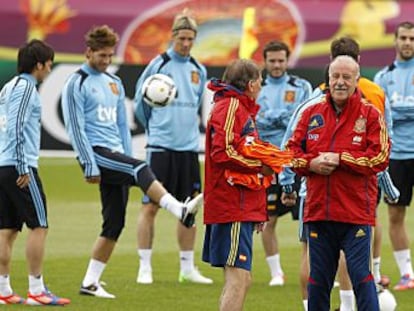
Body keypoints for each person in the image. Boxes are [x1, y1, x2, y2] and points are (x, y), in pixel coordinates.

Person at [61, 25, 202, 299]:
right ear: (88, 52)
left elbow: (122, 126)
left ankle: (90, 282)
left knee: (114, 224)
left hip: (115, 154)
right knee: (140, 168)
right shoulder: (75, 82)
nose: (106, 61)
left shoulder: (113, 83)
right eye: (101, 56)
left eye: (109, 56)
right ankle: (180, 209)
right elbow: (75, 128)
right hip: (97, 153)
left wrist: (127, 154)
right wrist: (88, 163)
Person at [286, 55, 389, 311]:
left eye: (346, 77)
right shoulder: (311, 113)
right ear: (328, 79)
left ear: (357, 80)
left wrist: (341, 159)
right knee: (318, 282)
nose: (340, 82)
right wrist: (311, 164)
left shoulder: (371, 115)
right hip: (319, 213)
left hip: (355, 215)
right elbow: (291, 154)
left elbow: (380, 158)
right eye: (335, 77)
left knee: (361, 278)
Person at [134, 11, 212, 285]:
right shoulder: (158, 64)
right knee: (150, 207)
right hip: (160, 147)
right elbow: (140, 105)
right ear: (173, 36)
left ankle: (187, 268)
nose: (187, 43)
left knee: (190, 207)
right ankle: (145, 267)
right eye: (182, 38)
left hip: (188, 149)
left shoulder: (198, 70)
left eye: (191, 39)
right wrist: (156, 128)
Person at [0, 39, 70, 305]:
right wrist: (21, 165)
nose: (49, 70)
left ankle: (4, 289)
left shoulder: (7, 88)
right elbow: (17, 125)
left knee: (7, 228)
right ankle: (36, 289)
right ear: (39, 64)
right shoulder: (27, 89)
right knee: (39, 225)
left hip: (3, 164)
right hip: (21, 166)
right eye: (49, 65)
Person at [203, 59, 274, 311]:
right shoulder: (231, 106)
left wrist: (258, 208)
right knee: (238, 277)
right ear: (252, 84)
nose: (262, 86)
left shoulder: (237, 107)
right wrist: (261, 165)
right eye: (260, 81)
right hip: (232, 204)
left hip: (241, 204)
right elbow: (222, 153)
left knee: (242, 278)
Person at [255, 40, 312, 286]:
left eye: (281, 60)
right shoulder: (256, 86)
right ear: (265, 61)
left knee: (309, 221)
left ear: (287, 61)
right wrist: (285, 116)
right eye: (272, 61)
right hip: (268, 163)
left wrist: (273, 117)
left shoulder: (301, 86)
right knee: (268, 220)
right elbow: (256, 119)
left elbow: (304, 118)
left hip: (296, 161)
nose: (277, 65)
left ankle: (315, 271)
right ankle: (276, 273)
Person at [374, 21, 414, 291]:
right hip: (397, 154)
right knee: (395, 214)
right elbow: (380, 116)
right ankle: (407, 274)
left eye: (412, 38)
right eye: (403, 38)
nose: (408, 43)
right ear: (395, 40)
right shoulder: (382, 77)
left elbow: (394, 112)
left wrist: (398, 111)